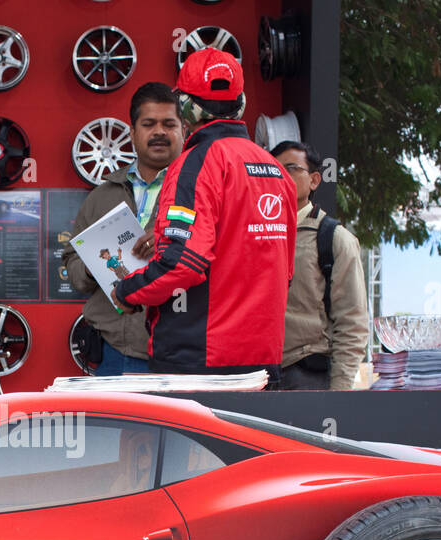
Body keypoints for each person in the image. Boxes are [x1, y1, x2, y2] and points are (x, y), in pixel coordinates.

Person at [113, 50, 296, 383]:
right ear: (240, 102)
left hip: (198, 362)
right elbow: (285, 271)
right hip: (264, 361)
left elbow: (182, 262)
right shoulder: (275, 170)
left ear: (184, 105)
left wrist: (127, 291)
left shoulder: (195, 164)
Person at [63, 82, 185, 376]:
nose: (159, 132)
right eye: (148, 124)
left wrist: (173, 246)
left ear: (184, 131)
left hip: (184, 352)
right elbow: (71, 263)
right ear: (132, 133)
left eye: (169, 124)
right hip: (116, 353)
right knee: (121, 425)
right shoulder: (103, 194)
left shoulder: (200, 189)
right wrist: (94, 266)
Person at [270, 140, 370, 390]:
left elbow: (352, 323)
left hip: (308, 377)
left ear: (314, 180)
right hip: (256, 378)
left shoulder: (335, 239)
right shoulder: (255, 233)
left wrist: (339, 392)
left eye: (291, 168)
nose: (281, 176)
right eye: (273, 169)